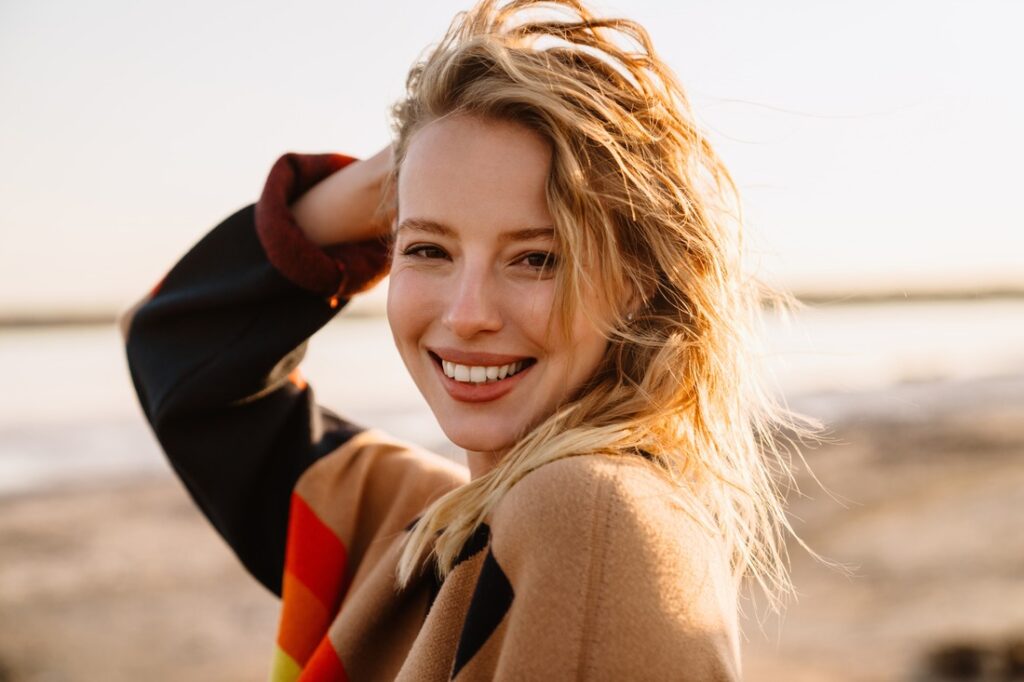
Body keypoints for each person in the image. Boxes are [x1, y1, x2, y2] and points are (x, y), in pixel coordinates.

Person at [123, 1, 811, 679]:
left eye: (537, 257)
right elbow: (176, 348)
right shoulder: (409, 526)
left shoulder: (590, 515)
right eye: (428, 249)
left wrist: (430, 173)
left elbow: (177, 348)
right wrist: (410, 161)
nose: (468, 313)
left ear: (636, 285)